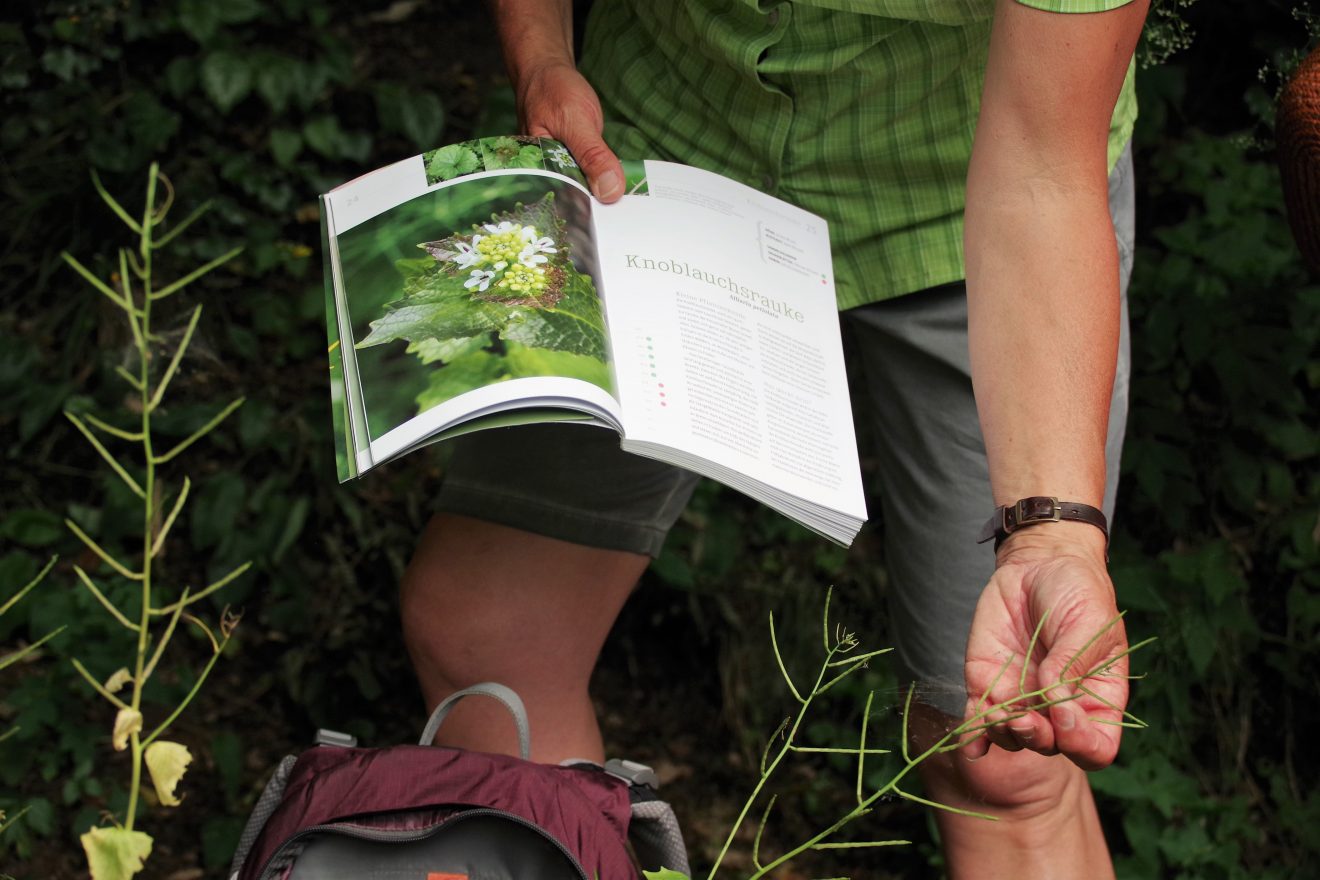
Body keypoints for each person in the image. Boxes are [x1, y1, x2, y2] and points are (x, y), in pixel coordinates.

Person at [400, 1, 1149, 877]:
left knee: (1001, 741)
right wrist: (541, 54)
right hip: (649, 163)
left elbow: (1039, 175)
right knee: (488, 633)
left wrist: (1053, 538)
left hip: (967, 204)